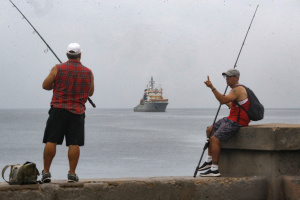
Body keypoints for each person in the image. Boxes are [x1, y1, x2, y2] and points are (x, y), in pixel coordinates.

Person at [41, 43, 94, 183]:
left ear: (67, 55)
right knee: (74, 143)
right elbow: (90, 92)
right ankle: (72, 173)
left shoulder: (57, 68)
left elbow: (45, 86)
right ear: (80, 55)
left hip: (58, 110)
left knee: (51, 140)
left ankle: (46, 172)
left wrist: (55, 85)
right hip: (77, 112)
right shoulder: (88, 72)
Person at [199, 68, 250, 177]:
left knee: (214, 139)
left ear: (236, 78)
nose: (227, 79)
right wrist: (225, 100)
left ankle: (214, 169)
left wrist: (212, 87)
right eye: (225, 77)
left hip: (237, 121)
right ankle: (208, 161)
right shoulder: (235, 90)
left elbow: (222, 101)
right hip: (231, 118)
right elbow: (232, 105)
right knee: (209, 130)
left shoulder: (237, 89)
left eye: (229, 77)